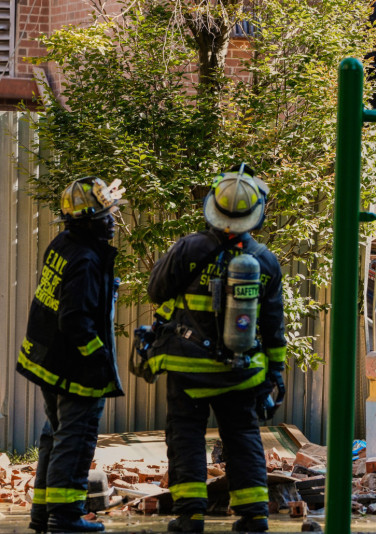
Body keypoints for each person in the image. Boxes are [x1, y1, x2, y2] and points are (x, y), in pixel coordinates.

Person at [147, 164, 287, 533]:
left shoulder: (190, 248)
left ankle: (190, 515)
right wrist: (276, 371)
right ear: (256, 214)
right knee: (242, 436)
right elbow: (274, 325)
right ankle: (254, 515)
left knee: (186, 437)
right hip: (239, 371)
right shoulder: (265, 261)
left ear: (212, 206)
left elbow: (156, 290)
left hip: (188, 368)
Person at [17, 176, 127, 533]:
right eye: (106, 216)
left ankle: (43, 513)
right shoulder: (86, 258)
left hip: (49, 361)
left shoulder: (64, 243)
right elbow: (75, 320)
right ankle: (65, 517)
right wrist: (97, 359)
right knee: (74, 440)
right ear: (89, 222)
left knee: (56, 435)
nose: (113, 222)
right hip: (75, 369)